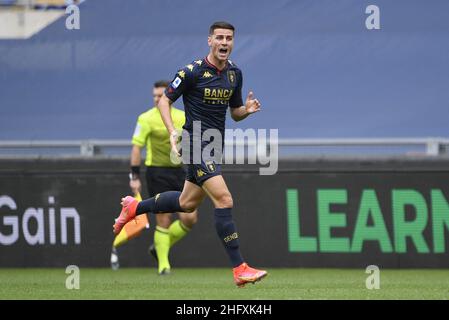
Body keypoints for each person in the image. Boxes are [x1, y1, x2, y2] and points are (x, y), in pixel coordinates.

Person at [113, 21, 267, 287]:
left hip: (213, 147)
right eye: (219, 37)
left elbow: (235, 112)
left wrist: (247, 111)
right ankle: (239, 267)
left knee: (187, 203)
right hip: (194, 144)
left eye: (229, 38)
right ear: (209, 41)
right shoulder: (191, 72)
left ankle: (134, 207)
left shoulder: (234, 74)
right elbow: (165, 100)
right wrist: (173, 130)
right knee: (224, 199)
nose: (224, 42)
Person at [112, 80, 198, 275]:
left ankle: (160, 246)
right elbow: (136, 148)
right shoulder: (145, 118)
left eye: (161, 96)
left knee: (190, 218)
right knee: (163, 219)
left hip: (180, 172)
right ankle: (164, 265)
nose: (157, 99)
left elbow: (190, 143)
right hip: (156, 172)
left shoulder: (182, 117)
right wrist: (134, 176)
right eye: (155, 96)